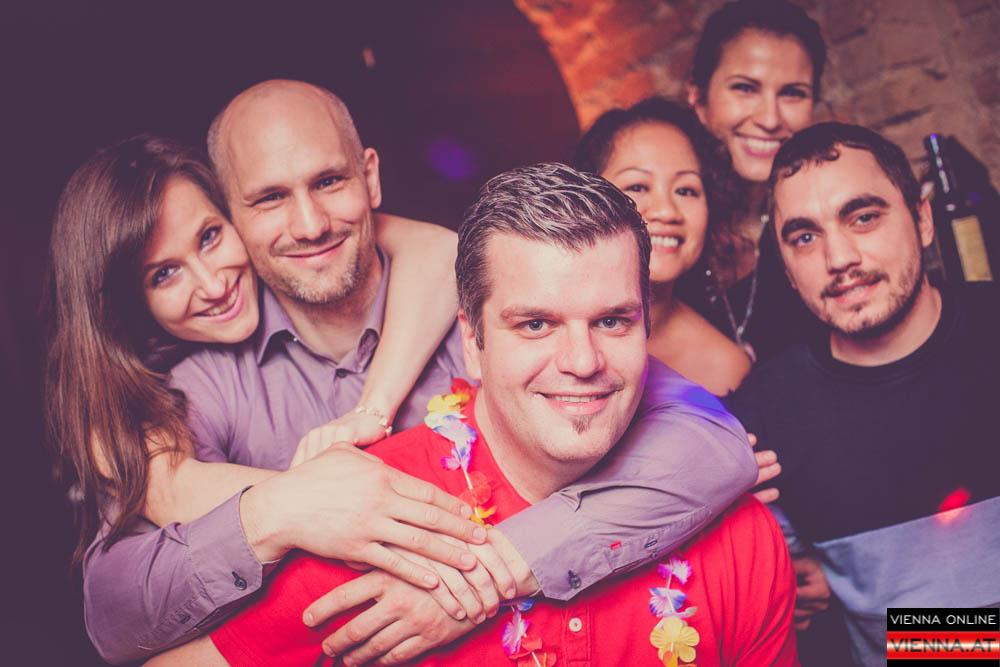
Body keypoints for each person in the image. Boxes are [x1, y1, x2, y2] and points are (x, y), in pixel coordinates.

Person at [80, 81, 758, 663]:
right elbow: (113, 610)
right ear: (234, 214)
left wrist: (493, 570)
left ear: (369, 178)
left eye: (329, 182)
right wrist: (282, 509)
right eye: (269, 199)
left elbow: (708, 440)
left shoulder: (500, 313)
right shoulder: (201, 388)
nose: (309, 223)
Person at [45, 132, 490, 652]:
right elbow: (113, 613)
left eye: (210, 236)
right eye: (164, 274)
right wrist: (282, 510)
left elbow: (436, 250)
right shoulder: (166, 400)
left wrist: (371, 410)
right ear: (129, 303)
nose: (213, 285)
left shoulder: (427, 288)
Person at [725, 122, 1000, 665]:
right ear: (787, 267)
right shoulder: (764, 419)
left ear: (922, 219)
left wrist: (948, 641)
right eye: (805, 237)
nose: (839, 258)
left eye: (864, 217)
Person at [575, 96, 750, 396]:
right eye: (638, 186)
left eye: (686, 190)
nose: (667, 211)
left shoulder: (727, 367)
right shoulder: (537, 323)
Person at [686, 0, 824, 362]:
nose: (770, 119)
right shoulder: (664, 222)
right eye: (745, 88)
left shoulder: (823, 222)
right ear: (698, 99)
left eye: (793, 93)